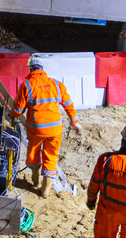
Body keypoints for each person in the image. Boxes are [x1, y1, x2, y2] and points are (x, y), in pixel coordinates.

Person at [13, 56, 79, 197]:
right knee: (51, 156)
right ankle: (45, 190)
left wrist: (12, 114)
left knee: (34, 152)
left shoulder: (27, 85)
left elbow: (18, 110)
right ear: (42, 69)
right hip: (55, 129)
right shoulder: (56, 84)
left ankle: (35, 182)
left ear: (30, 69)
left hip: (36, 129)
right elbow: (68, 104)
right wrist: (74, 121)